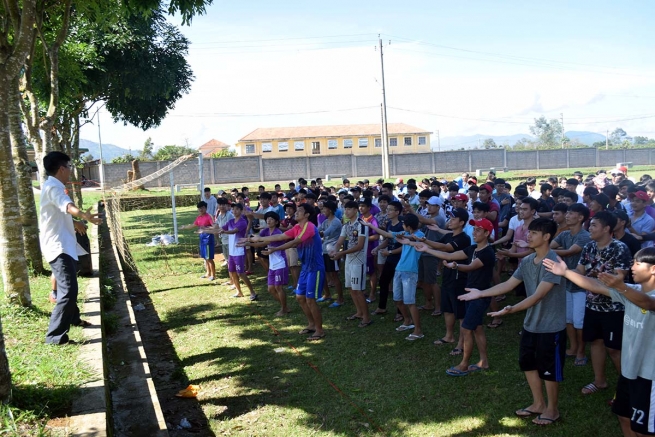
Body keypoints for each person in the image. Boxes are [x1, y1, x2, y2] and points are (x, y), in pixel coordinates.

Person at [459, 218, 566, 426]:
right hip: (530, 324)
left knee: (549, 370)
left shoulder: (555, 263)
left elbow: (538, 296)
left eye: (534, 233)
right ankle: (538, 404)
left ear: (547, 237)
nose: (529, 235)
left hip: (551, 326)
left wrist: (510, 310)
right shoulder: (527, 261)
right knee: (528, 364)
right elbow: (508, 284)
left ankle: (552, 410)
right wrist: (481, 293)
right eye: (529, 231)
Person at [544, 248, 655, 437]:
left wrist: (621, 287)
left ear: (653, 269)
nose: (632, 266)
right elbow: (595, 286)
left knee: (645, 430)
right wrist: (565, 272)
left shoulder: (632, 292)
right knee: (623, 416)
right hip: (629, 370)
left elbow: (649, 304)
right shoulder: (632, 290)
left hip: (649, 376)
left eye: (638, 263)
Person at [412, 218, 495, 373]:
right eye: (474, 229)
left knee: (466, 328)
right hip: (471, 295)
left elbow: (470, 267)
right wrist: (426, 249)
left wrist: (457, 266)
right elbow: (450, 255)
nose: (474, 232)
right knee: (477, 328)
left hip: (479, 296)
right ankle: (484, 362)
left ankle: (464, 364)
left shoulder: (488, 253)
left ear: (487, 233)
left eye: (478, 229)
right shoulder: (473, 248)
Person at [41, 151, 102, 345]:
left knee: (70, 284)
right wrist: (84, 215)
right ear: (62, 169)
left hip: (65, 244)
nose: (70, 171)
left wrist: (75, 223)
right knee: (68, 290)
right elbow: (66, 205)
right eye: (69, 167)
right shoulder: (53, 187)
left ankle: (73, 319)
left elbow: (59, 212)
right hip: (58, 247)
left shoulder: (55, 185)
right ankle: (55, 337)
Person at [249, 204, 326, 341]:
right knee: (300, 297)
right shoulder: (297, 227)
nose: (296, 213)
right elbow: (280, 237)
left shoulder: (309, 227)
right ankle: (311, 324)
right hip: (305, 268)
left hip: (315, 268)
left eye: (300, 211)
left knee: (310, 299)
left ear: (307, 215)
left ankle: (319, 330)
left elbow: (294, 242)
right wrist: (258, 238)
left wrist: (272, 249)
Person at [577, 211, 632, 395]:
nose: (589, 228)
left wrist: (591, 277)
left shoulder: (619, 248)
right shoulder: (589, 247)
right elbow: (579, 271)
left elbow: (619, 278)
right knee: (596, 342)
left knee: (614, 348)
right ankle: (599, 381)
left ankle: (627, 387)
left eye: (594, 225)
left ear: (607, 228)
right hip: (592, 304)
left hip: (614, 307)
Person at [362, 214, 425, 340]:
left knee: (410, 302)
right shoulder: (404, 232)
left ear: (408, 226)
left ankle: (418, 330)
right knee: (397, 299)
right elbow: (388, 235)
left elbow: (413, 240)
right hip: (399, 269)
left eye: (403, 224)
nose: (402, 226)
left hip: (410, 272)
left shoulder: (420, 235)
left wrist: (404, 237)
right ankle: (407, 321)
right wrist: (369, 225)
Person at [550, 203, 591, 366]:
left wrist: (548, 251)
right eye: (567, 213)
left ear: (581, 218)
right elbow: (551, 246)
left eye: (571, 213)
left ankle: (581, 351)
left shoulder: (584, 236)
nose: (567, 215)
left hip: (581, 284)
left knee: (579, 320)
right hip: (566, 282)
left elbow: (570, 252)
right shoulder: (564, 234)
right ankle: (573, 347)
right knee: (568, 318)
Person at [330, 201, 372, 327]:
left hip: (358, 261)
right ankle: (359, 312)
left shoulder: (362, 225)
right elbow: (340, 241)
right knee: (351, 288)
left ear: (355, 210)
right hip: (349, 260)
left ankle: (366, 317)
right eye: (345, 209)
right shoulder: (346, 225)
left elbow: (359, 245)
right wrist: (335, 249)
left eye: (349, 209)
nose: (346, 212)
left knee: (358, 290)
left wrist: (341, 253)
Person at [246, 212, 290, 316]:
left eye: (271, 219)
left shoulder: (277, 232)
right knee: (270, 289)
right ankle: (285, 307)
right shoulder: (266, 231)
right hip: (272, 264)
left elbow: (263, 242)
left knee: (278, 287)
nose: (268, 220)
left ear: (276, 221)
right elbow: (262, 241)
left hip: (280, 263)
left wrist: (250, 242)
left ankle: (284, 309)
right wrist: (248, 243)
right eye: (267, 219)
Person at [212, 203, 257, 300]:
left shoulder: (242, 222)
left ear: (241, 211)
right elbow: (221, 228)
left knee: (240, 273)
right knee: (232, 272)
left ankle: (252, 292)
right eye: (233, 209)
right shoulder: (231, 221)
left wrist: (224, 232)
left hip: (239, 252)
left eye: (237, 209)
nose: (235, 211)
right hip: (232, 252)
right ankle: (239, 291)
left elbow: (234, 231)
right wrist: (208, 229)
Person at [317, 200, 344, 306]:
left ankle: (340, 299)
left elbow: (324, 233)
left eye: (324, 208)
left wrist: (313, 232)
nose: (322, 210)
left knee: (334, 275)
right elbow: (318, 229)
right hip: (324, 250)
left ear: (330, 210)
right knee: (323, 273)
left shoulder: (336, 221)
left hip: (333, 251)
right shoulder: (325, 221)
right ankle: (327, 294)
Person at [181, 201, 216, 281]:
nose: (201, 209)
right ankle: (208, 273)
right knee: (205, 257)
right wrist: (184, 227)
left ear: (206, 208)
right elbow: (193, 225)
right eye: (199, 208)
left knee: (209, 258)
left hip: (208, 239)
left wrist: (205, 228)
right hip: (202, 240)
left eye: (202, 207)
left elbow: (214, 226)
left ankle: (213, 275)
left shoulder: (209, 216)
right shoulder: (199, 217)